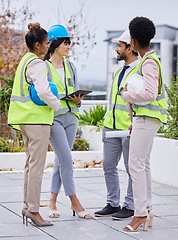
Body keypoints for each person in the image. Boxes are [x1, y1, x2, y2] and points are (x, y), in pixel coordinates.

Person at [8, 23, 61, 227]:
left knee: (30, 166)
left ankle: (27, 207)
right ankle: (34, 210)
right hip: (36, 120)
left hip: (25, 119)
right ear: (38, 45)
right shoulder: (37, 63)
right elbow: (44, 91)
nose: (49, 47)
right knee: (36, 167)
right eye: (47, 43)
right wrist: (56, 106)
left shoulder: (25, 60)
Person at [121, 17, 167, 232]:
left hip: (147, 119)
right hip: (146, 119)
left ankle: (139, 214)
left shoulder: (148, 62)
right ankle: (147, 209)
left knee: (135, 165)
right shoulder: (150, 60)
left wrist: (127, 95)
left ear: (132, 40)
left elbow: (148, 94)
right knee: (143, 164)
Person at [43, 24, 92, 219]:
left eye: (69, 43)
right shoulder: (44, 67)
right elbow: (41, 98)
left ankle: (52, 200)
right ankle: (74, 201)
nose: (69, 46)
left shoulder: (71, 66)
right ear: (55, 44)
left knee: (60, 161)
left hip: (72, 117)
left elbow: (76, 90)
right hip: (54, 119)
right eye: (66, 42)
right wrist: (45, 124)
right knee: (66, 161)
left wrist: (78, 100)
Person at [94, 30, 139, 220]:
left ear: (129, 48)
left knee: (132, 169)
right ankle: (113, 203)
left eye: (119, 46)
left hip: (129, 128)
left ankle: (130, 205)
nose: (116, 50)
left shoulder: (141, 70)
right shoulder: (118, 71)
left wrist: (135, 124)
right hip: (111, 127)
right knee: (109, 166)